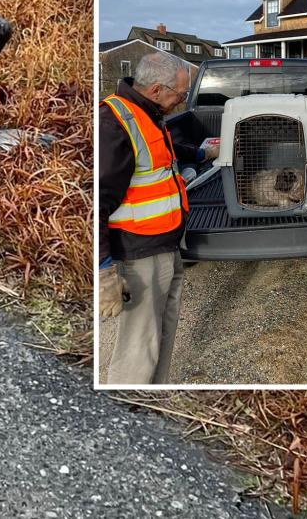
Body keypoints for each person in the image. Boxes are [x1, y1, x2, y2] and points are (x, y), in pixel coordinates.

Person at [98, 52, 216, 384]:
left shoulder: (147, 114)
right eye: (180, 94)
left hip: (164, 246)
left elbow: (158, 153)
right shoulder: (114, 124)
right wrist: (104, 269)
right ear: (156, 90)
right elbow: (96, 203)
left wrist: (201, 153)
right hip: (139, 254)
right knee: (139, 344)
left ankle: (151, 398)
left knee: (161, 333)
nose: (182, 101)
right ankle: (126, 409)